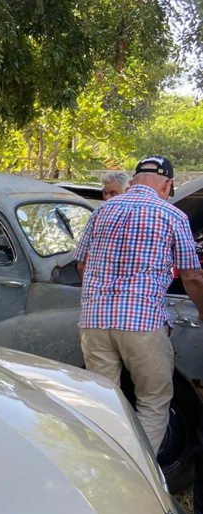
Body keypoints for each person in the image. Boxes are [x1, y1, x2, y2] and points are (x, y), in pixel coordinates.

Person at [76, 156, 203, 452]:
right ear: (168, 184)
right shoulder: (171, 215)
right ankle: (140, 478)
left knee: (103, 402)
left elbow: (81, 266)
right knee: (153, 399)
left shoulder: (102, 211)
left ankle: (106, 465)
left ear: (133, 181)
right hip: (142, 323)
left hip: (94, 323)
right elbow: (192, 276)